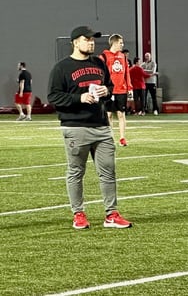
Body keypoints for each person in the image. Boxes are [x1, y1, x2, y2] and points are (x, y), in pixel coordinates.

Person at [47, 26, 132, 230]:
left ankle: (111, 214)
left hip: (101, 125)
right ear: (75, 42)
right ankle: (78, 213)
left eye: (93, 40)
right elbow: (53, 97)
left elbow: (110, 86)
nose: (92, 43)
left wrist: (106, 91)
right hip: (76, 126)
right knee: (76, 171)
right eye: (87, 40)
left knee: (108, 171)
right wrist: (79, 98)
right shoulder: (61, 67)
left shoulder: (99, 64)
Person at [99, 34, 131, 146]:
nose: (122, 45)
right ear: (115, 43)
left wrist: (129, 87)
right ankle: (109, 137)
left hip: (121, 90)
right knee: (108, 115)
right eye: (121, 43)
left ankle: (122, 138)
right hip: (109, 91)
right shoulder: (103, 56)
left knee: (121, 114)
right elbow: (100, 74)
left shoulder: (123, 56)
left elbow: (127, 72)